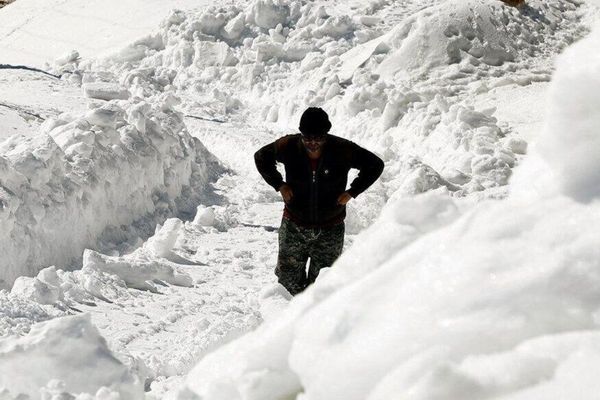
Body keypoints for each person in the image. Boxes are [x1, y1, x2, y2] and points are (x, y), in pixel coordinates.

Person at [254, 107, 384, 295]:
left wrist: (352, 192)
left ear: (326, 134)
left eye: (319, 138)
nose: (313, 143)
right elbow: (261, 157)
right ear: (301, 134)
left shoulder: (342, 149)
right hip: (294, 226)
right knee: (288, 285)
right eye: (307, 138)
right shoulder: (289, 146)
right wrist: (279, 184)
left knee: (322, 288)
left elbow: (375, 165)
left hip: (330, 229)